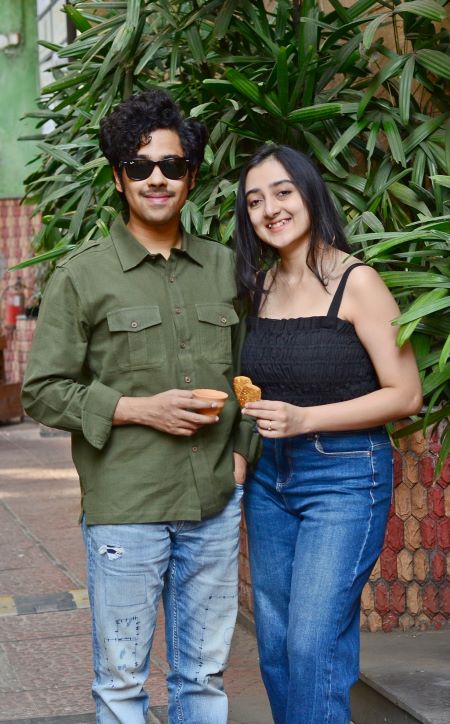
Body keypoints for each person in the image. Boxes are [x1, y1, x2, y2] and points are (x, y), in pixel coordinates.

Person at [22, 90, 258, 724]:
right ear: (118, 177)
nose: (157, 178)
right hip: (126, 506)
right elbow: (42, 390)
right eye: (140, 165)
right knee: (123, 680)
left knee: (203, 675)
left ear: (191, 176)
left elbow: (251, 375)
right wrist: (136, 409)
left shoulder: (227, 269)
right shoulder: (81, 277)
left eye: (172, 166)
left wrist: (241, 458)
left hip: (213, 502)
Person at [234, 144, 422, 724]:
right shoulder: (259, 287)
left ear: (310, 193)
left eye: (282, 192)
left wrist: (306, 419)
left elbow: (406, 394)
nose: (270, 209)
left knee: (312, 641)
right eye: (255, 201)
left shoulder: (356, 281)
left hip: (344, 476)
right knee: (275, 644)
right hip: (269, 479)